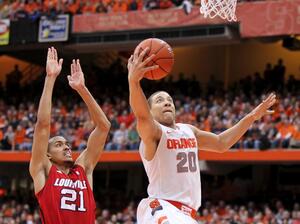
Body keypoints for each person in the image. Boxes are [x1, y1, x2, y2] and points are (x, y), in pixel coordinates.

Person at [127, 47, 277, 224]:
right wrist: (133, 82)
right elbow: (142, 116)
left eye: (169, 100)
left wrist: (251, 117)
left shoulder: (188, 130)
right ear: (150, 111)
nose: (167, 102)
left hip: (186, 214)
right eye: (159, 101)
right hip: (162, 208)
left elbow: (222, 143)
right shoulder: (154, 134)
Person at [29, 47, 110, 224]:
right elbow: (42, 125)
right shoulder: (43, 170)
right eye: (58, 144)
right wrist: (50, 78)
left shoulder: (84, 169)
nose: (66, 147)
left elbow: (104, 127)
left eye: (66, 143)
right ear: (47, 155)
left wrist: (82, 89)